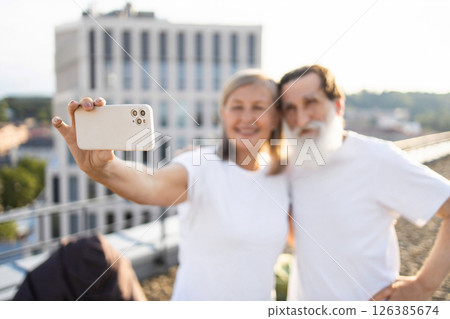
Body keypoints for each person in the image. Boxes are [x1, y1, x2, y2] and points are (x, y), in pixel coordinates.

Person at [51, 69, 289, 300]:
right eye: (237, 106)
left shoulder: (283, 176)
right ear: (224, 113)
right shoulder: (199, 164)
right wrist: (104, 168)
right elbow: (151, 183)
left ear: (276, 116)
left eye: (259, 107)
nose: (248, 116)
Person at [279, 64, 450, 301]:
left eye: (311, 103)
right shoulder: (290, 166)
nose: (301, 118)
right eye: (290, 108)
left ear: (338, 105)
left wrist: (424, 285)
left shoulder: (377, 158)